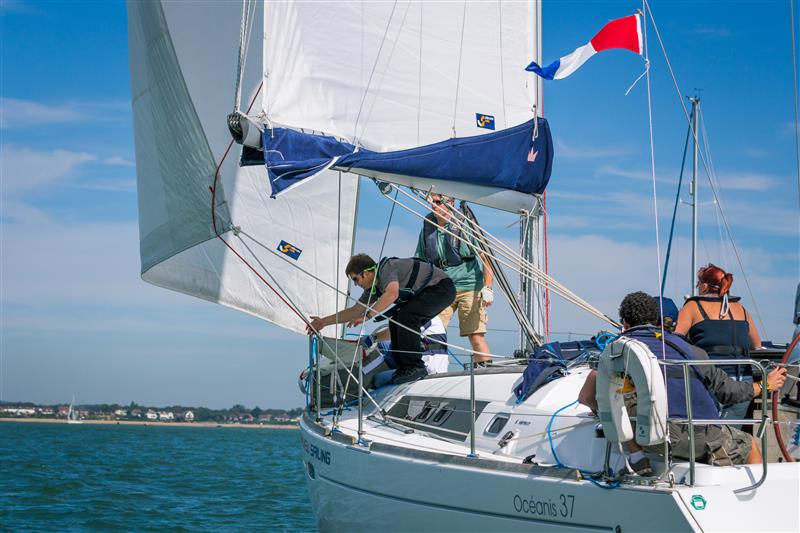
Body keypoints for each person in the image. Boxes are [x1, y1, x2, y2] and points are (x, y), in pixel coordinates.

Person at [578, 292, 786, 473]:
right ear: (672, 324)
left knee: (613, 398)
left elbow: (586, 396)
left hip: (657, 439)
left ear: (624, 322)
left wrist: (600, 410)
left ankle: (635, 455)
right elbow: (729, 392)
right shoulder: (693, 351)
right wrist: (765, 385)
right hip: (707, 438)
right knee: (750, 445)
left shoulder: (620, 349)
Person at [306, 254, 456, 385]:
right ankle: (404, 368)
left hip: (441, 288)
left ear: (365, 273)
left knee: (406, 317)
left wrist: (368, 316)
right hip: (431, 292)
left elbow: (392, 294)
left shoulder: (386, 270)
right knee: (395, 320)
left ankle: (414, 367)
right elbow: (355, 310)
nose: (356, 284)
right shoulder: (374, 288)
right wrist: (323, 322)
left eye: (355, 279)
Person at [674, 264, 762, 423]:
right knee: (732, 437)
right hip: (744, 382)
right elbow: (757, 344)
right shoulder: (740, 308)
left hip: (714, 381)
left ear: (705, 285)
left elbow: (676, 342)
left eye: (698, 284)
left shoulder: (692, 306)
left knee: (708, 434)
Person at [415, 193, 493, 366]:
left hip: (470, 287)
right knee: (431, 333)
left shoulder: (465, 227)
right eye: (431, 203)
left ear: (450, 203)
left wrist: (487, 288)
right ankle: (432, 370)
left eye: (437, 202)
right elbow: (420, 262)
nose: (433, 206)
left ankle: (485, 372)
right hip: (443, 289)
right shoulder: (428, 228)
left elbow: (486, 259)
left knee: (476, 336)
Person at [369, 317, 450, 388]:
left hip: (427, 368)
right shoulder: (432, 314)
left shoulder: (424, 315)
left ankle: (368, 379)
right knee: (383, 344)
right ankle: (386, 368)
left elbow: (397, 331)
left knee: (378, 379)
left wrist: (372, 339)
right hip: (427, 358)